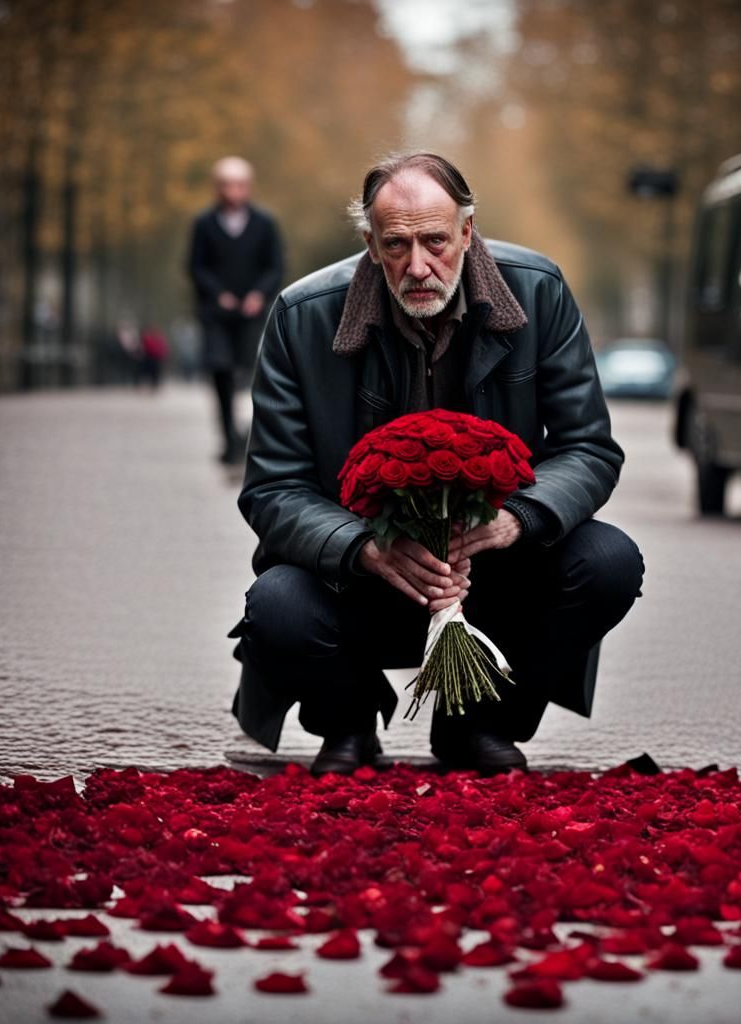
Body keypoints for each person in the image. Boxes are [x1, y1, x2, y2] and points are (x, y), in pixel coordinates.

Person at [228, 152, 644, 776]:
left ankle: (478, 724)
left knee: (608, 563)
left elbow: (589, 447)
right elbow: (271, 488)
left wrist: (516, 521)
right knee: (277, 604)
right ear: (371, 243)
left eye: (435, 241)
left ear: (468, 233)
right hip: (360, 578)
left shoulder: (539, 290)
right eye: (395, 244)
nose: (417, 265)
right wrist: (366, 548)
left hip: (495, 572)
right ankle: (347, 724)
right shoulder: (300, 316)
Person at [188, 156, 284, 464]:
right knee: (220, 371)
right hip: (215, 315)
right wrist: (218, 295)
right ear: (217, 188)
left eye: (239, 185)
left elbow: (275, 266)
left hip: (251, 314)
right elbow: (195, 266)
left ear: (249, 187)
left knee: (250, 373)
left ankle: (249, 436)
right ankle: (229, 438)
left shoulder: (264, 223)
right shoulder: (204, 224)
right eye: (226, 185)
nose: (233, 191)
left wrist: (258, 294)